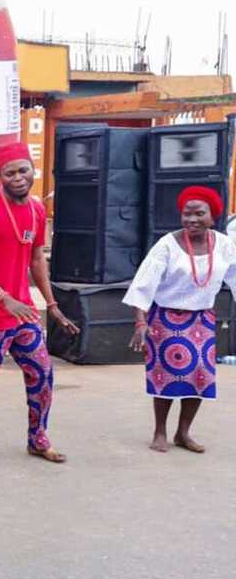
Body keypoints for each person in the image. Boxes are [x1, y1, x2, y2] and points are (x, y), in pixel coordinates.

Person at [0, 142, 79, 463]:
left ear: (33, 170)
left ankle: (38, 439)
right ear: (0, 176)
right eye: (9, 173)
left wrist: (52, 305)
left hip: (22, 313)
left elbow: (37, 259)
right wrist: (4, 297)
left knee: (42, 373)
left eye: (23, 170)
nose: (17, 177)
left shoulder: (37, 210)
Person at [123, 186, 236, 454]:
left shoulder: (224, 245)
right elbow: (143, 285)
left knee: (201, 375)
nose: (192, 219)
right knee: (166, 377)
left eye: (199, 214)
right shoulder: (167, 245)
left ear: (213, 216)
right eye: (187, 214)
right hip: (165, 319)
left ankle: (183, 433)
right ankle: (160, 431)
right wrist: (140, 323)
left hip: (202, 319)